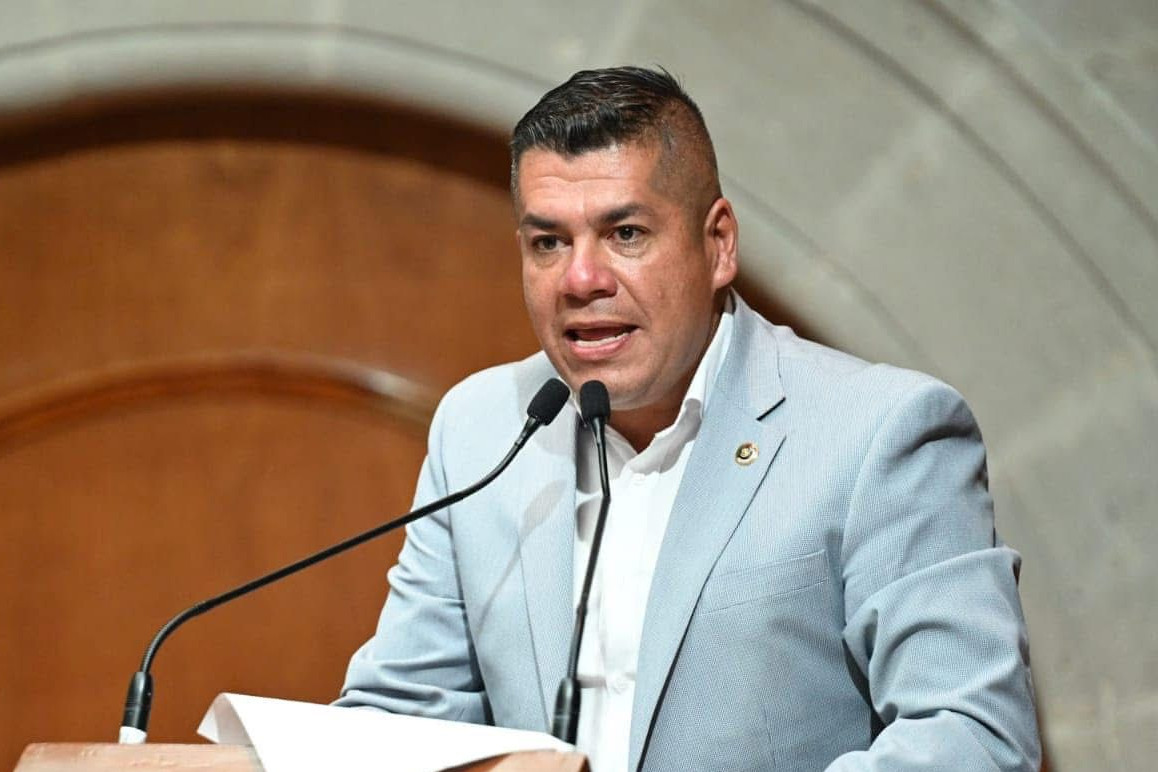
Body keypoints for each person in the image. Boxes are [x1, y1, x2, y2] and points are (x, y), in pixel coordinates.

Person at [338, 66, 1041, 771]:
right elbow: (398, 716)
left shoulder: (878, 432)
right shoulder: (481, 429)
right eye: (548, 242)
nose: (581, 279)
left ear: (719, 244)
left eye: (626, 233)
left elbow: (973, 736)